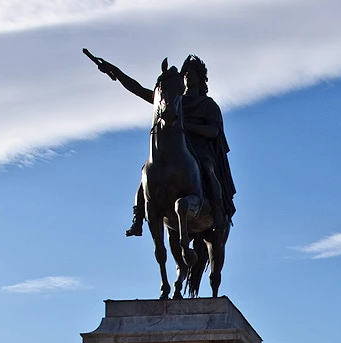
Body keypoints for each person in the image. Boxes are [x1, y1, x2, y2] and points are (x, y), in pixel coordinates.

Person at [93, 53, 235, 236]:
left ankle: (218, 211)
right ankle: (138, 218)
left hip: (199, 149)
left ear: (200, 79)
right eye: (186, 74)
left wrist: (187, 126)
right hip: (174, 148)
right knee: (147, 172)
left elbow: (214, 131)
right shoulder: (173, 100)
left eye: (191, 73)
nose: (187, 77)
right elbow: (138, 89)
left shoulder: (208, 105)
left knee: (208, 168)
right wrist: (114, 71)